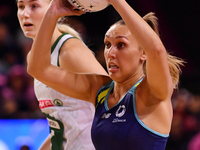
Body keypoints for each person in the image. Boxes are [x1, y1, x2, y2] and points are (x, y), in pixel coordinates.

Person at [27, 0, 185, 149]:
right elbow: (38, 69)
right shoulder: (99, 89)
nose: (110, 53)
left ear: (143, 53)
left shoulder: (153, 91)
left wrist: (117, 1)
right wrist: (52, 12)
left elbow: (156, 51)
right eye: (108, 45)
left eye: (121, 45)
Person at [16, 0, 109, 149]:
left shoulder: (69, 49)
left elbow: (113, 101)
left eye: (34, 6)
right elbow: (60, 128)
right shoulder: (33, 57)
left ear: (53, 8)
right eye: (21, 6)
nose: (25, 14)